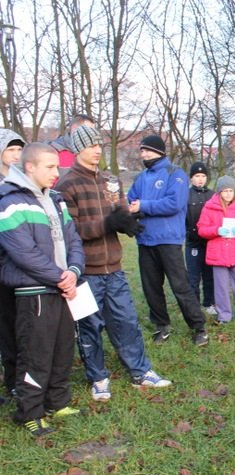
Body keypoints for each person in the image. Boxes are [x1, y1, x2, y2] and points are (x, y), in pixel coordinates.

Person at [55, 125, 172, 402]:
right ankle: (98, 376)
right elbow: (69, 231)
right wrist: (106, 223)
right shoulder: (66, 185)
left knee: (126, 321)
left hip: (115, 268)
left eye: (99, 145)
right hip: (85, 272)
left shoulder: (111, 180)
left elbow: (120, 209)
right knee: (90, 325)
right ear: (76, 149)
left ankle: (140, 371)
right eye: (90, 146)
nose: (96, 150)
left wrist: (127, 222)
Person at [0, 143, 85, 437]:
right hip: (34, 291)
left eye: (57, 166)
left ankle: (57, 402)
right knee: (35, 353)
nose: (56, 172)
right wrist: (59, 277)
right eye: (49, 167)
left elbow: (74, 241)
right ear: (29, 167)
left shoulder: (57, 199)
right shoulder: (9, 201)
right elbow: (23, 251)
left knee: (62, 350)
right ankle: (30, 411)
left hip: (63, 288)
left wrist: (73, 272)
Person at [127, 134, 209, 346]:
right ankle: (161, 325)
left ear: (159, 151)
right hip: (145, 240)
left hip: (168, 240)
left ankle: (198, 327)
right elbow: (131, 201)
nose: (143, 154)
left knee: (180, 286)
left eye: (147, 150)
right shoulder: (140, 177)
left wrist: (143, 206)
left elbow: (174, 203)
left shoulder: (176, 174)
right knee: (151, 286)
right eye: (141, 151)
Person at [197, 175, 235, 324]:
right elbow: (202, 229)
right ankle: (224, 316)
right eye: (225, 191)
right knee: (221, 286)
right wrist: (217, 230)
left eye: (231, 190)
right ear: (219, 192)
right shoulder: (209, 207)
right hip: (218, 253)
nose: (228, 194)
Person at [0, 128, 25, 401]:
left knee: (22, 324)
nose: (16, 155)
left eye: (19, 150)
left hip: (23, 266)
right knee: (6, 324)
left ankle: (24, 376)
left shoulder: (26, 183)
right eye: (10, 150)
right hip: (3, 264)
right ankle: (12, 379)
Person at [186, 161, 216, 316]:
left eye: (203, 176)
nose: (200, 179)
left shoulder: (212, 196)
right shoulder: (186, 195)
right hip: (193, 243)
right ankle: (194, 304)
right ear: (191, 178)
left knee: (209, 274)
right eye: (197, 176)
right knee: (193, 276)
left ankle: (209, 302)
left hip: (211, 242)